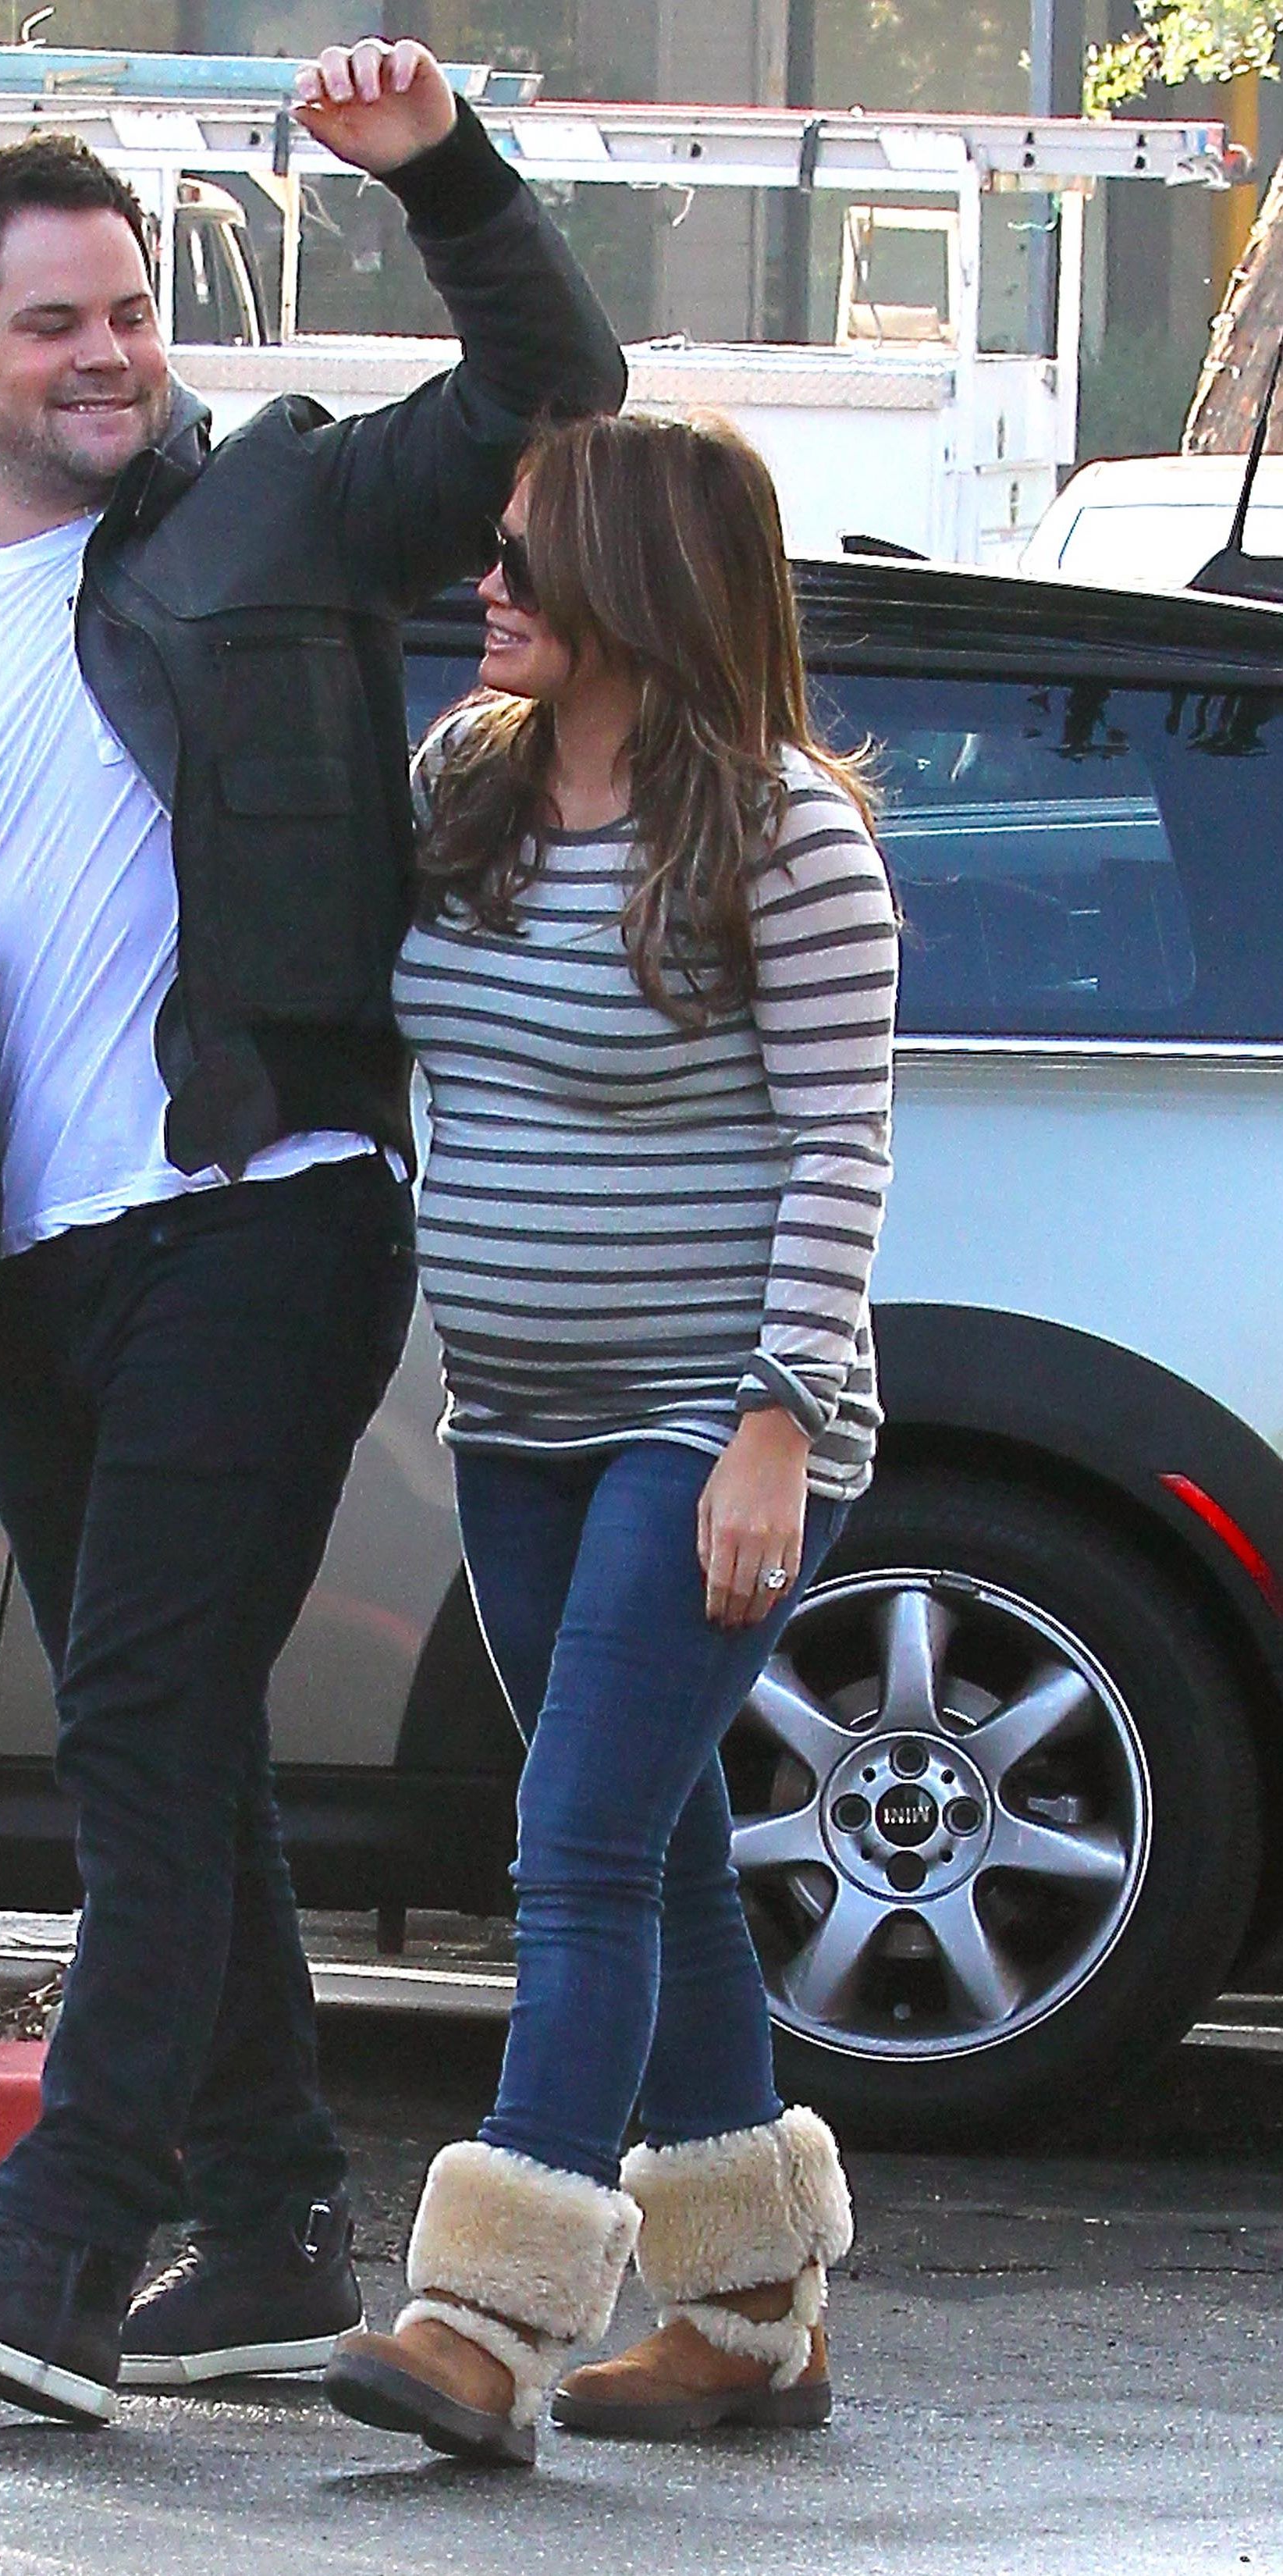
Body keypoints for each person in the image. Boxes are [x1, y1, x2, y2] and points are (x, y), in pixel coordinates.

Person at [0, 39, 624, 2426]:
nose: (106, 357)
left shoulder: (280, 510)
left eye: (132, 314)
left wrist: (444, 176)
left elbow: (555, 389)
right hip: (44, 1262)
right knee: (164, 1742)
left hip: (269, 1207)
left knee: (142, 1717)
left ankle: (62, 2239)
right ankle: (265, 2227)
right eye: (55, 323)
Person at [323, 411, 898, 2465]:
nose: (488, 586)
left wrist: (774, 1426)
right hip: (521, 1420)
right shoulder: (466, 791)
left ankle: (488, 2317)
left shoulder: (784, 837)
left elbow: (840, 1151)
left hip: (707, 1426)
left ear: (640, 585)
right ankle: (749, 2318)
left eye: (529, 558)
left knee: (571, 1844)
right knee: (653, 1850)